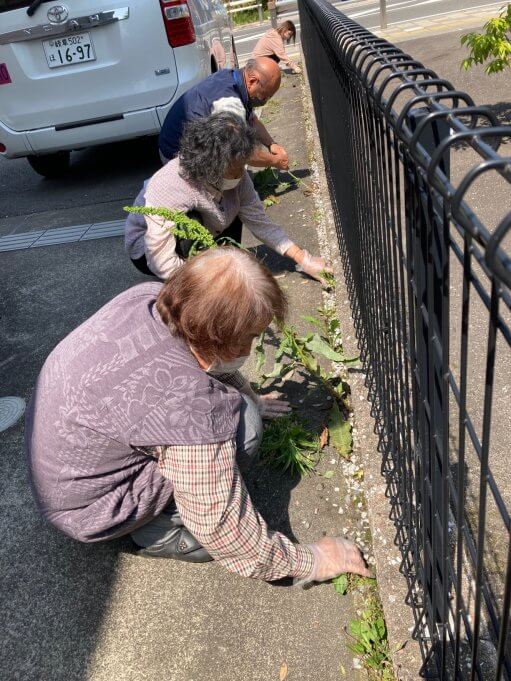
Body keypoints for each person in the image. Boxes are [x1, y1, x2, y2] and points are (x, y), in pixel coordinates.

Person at [26, 247, 370, 584]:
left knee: (242, 407)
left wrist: (253, 397)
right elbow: (223, 527)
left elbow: (206, 362)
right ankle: (158, 530)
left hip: (66, 471)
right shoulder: (189, 406)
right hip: (94, 510)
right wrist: (313, 560)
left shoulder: (147, 300)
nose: (254, 344)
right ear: (224, 340)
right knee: (244, 426)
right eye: (252, 335)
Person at [126, 112, 331, 282]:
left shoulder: (237, 175)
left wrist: (303, 258)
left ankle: (217, 266)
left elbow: (259, 222)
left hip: (211, 222)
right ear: (213, 165)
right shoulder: (171, 185)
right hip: (149, 247)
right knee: (190, 223)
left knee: (231, 206)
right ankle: (200, 276)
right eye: (237, 167)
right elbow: (159, 259)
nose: (243, 172)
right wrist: (206, 288)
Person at [158, 57, 289, 171]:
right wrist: (274, 161)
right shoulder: (228, 103)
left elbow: (252, 120)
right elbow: (242, 153)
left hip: (184, 142)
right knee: (233, 171)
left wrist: (272, 144)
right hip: (177, 157)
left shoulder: (233, 77)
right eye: (264, 96)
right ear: (253, 81)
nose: (264, 101)